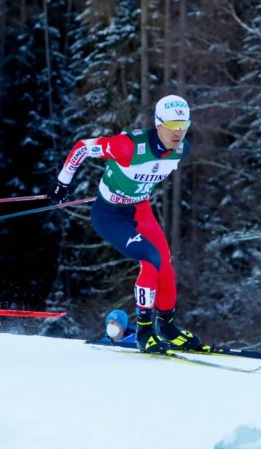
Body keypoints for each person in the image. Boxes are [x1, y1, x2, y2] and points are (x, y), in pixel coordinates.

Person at [48, 95, 202, 353]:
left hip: (140, 209)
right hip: (109, 214)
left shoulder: (181, 149)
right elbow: (82, 147)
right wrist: (62, 183)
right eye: (173, 127)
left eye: (184, 126)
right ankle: (144, 331)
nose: (179, 133)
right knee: (150, 257)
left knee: (165, 264)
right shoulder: (127, 146)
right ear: (159, 124)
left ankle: (166, 326)